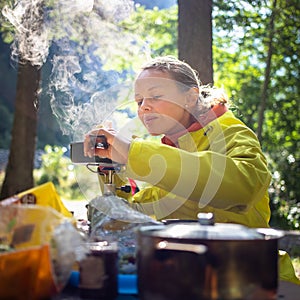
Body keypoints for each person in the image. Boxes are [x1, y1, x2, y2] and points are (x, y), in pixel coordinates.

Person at [84, 55, 299, 284]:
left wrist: (133, 152)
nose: (144, 106)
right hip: (199, 281)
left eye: (156, 96)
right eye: (139, 101)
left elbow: (243, 185)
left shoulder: (231, 131)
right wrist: (113, 169)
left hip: (257, 281)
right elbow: (141, 211)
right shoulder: (173, 148)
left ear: (190, 97)